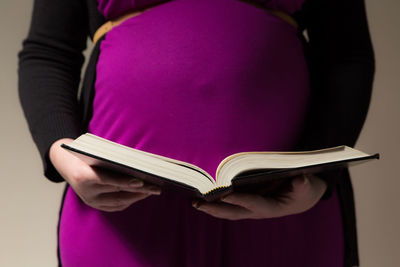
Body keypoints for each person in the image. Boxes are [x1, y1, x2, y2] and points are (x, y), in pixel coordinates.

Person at [18, 0, 375, 266]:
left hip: (280, 206)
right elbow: (48, 52)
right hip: (121, 209)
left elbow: (347, 56)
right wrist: (60, 150)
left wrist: (320, 180)